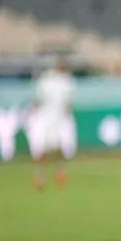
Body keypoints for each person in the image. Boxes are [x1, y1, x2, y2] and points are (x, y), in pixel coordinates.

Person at [31, 59, 75, 190]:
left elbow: (68, 103)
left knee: (59, 147)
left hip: (59, 119)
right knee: (43, 147)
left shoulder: (66, 82)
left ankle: (58, 171)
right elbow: (37, 99)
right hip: (46, 119)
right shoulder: (46, 80)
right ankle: (41, 175)